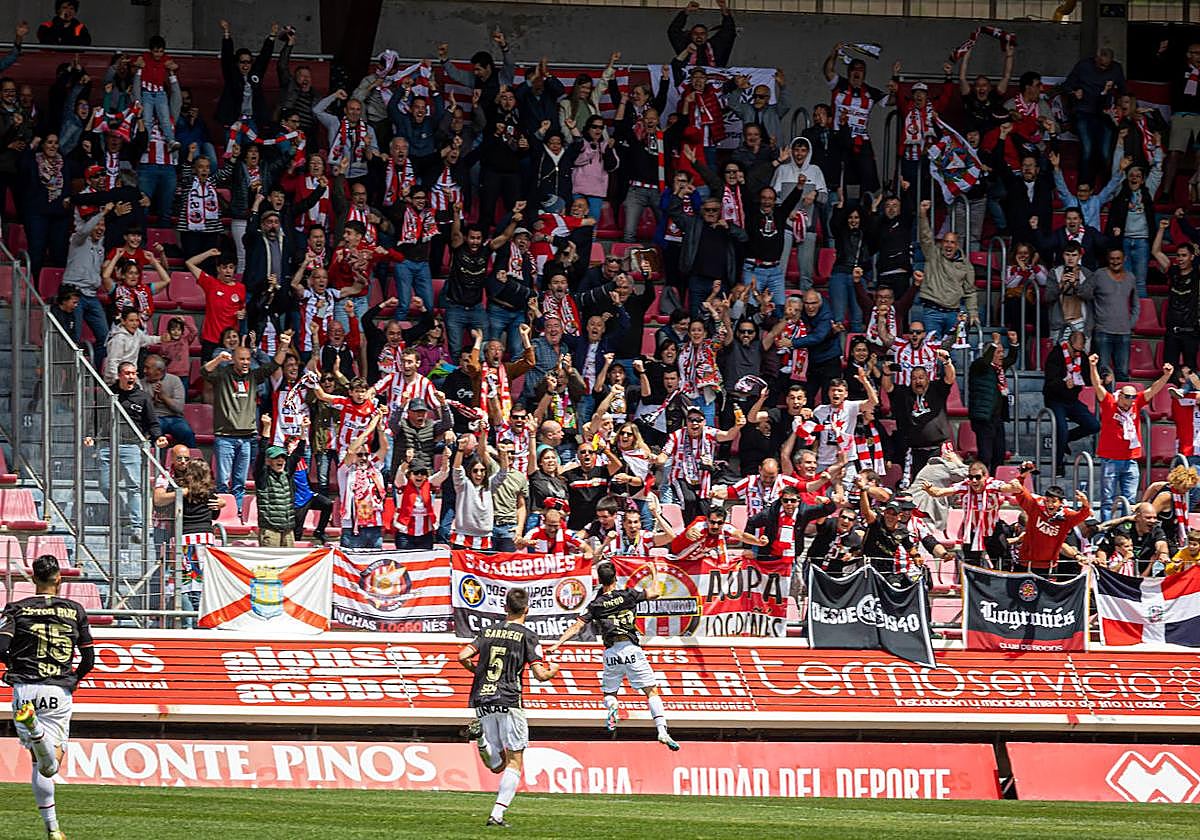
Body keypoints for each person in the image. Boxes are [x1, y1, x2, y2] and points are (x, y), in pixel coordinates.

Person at [2, 554, 95, 840]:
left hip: (25, 690)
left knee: (38, 763)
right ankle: (38, 733)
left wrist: (11, 669)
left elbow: (0, 648)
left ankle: (53, 828)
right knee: (50, 765)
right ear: (60, 579)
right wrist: (74, 680)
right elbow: (89, 658)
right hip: (57, 690)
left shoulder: (15, 609)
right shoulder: (75, 609)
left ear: (33, 579)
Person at [551, 557, 680, 747]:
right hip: (631, 648)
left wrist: (557, 644)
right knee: (651, 691)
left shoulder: (596, 604)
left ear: (600, 580)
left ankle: (612, 708)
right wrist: (654, 573)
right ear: (615, 577)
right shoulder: (627, 595)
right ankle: (661, 730)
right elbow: (655, 593)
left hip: (611, 653)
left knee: (610, 693)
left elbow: (577, 626)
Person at [458, 587, 560, 828]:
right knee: (514, 762)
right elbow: (541, 674)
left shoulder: (487, 631)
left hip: (483, 699)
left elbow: (463, 655)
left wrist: (477, 671)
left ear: (505, 608)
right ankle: (497, 815)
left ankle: (481, 740)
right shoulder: (528, 635)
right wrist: (553, 671)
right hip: (509, 700)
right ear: (527, 609)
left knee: (497, 766)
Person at [202, 332, 292, 508]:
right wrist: (219, 359)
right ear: (233, 359)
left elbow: (274, 365)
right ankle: (223, 516)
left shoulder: (253, 375)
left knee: (240, 483)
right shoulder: (222, 374)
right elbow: (204, 371)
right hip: (225, 437)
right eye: (242, 359)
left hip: (247, 438)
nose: (245, 363)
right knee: (223, 482)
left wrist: (284, 346)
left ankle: (237, 514)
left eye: (248, 359)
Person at [1090, 354, 1173, 520]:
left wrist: (1166, 376)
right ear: (1120, 395)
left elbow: (1153, 389)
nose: (1131, 400)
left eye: (1133, 397)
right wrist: (1092, 366)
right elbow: (1097, 386)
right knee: (1108, 500)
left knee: (1129, 501)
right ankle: (1107, 532)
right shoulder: (1109, 403)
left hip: (1131, 460)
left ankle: (1125, 530)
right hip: (1111, 459)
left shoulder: (1137, 404)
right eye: (1127, 396)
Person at [916, 201, 977, 341]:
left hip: (953, 314)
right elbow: (925, 236)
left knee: (951, 354)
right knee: (932, 352)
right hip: (932, 312)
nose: (949, 245)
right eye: (946, 241)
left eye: (952, 242)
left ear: (957, 245)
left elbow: (970, 291)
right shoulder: (933, 254)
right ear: (942, 243)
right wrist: (922, 215)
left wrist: (973, 312)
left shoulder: (966, 265)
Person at [967, 331, 1020, 474]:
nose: (1002, 355)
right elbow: (985, 360)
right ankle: (981, 483)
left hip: (997, 418)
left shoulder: (999, 368)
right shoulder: (979, 366)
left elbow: (1012, 359)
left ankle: (995, 485)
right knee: (985, 455)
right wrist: (994, 343)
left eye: (1002, 352)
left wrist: (1014, 343)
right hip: (983, 418)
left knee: (999, 454)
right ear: (990, 353)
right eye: (998, 352)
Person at [1153, 220, 1200, 372]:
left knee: (1190, 371)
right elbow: (1156, 252)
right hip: (1172, 331)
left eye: (1184, 255)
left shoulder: (1197, 274)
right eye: (1178, 255)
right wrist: (1161, 229)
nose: (1180, 258)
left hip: (1191, 331)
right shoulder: (1172, 271)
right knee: (1169, 370)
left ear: (1192, 257)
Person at [1090, 247, 1138, 381]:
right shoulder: (1099, 275)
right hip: (1102, 331)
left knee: (1122, 373)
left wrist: (1131, 323)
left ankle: (1122, 401)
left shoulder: (1131, 277)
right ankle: (1103, 402)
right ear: (1107, 259)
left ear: (1124, 259)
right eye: (1112, 258)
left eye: (1118, 258)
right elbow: (1087, 297)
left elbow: (1136, 304)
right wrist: (1094, 322)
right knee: (1102, 373)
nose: (1115, 261)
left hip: (1124, 333)